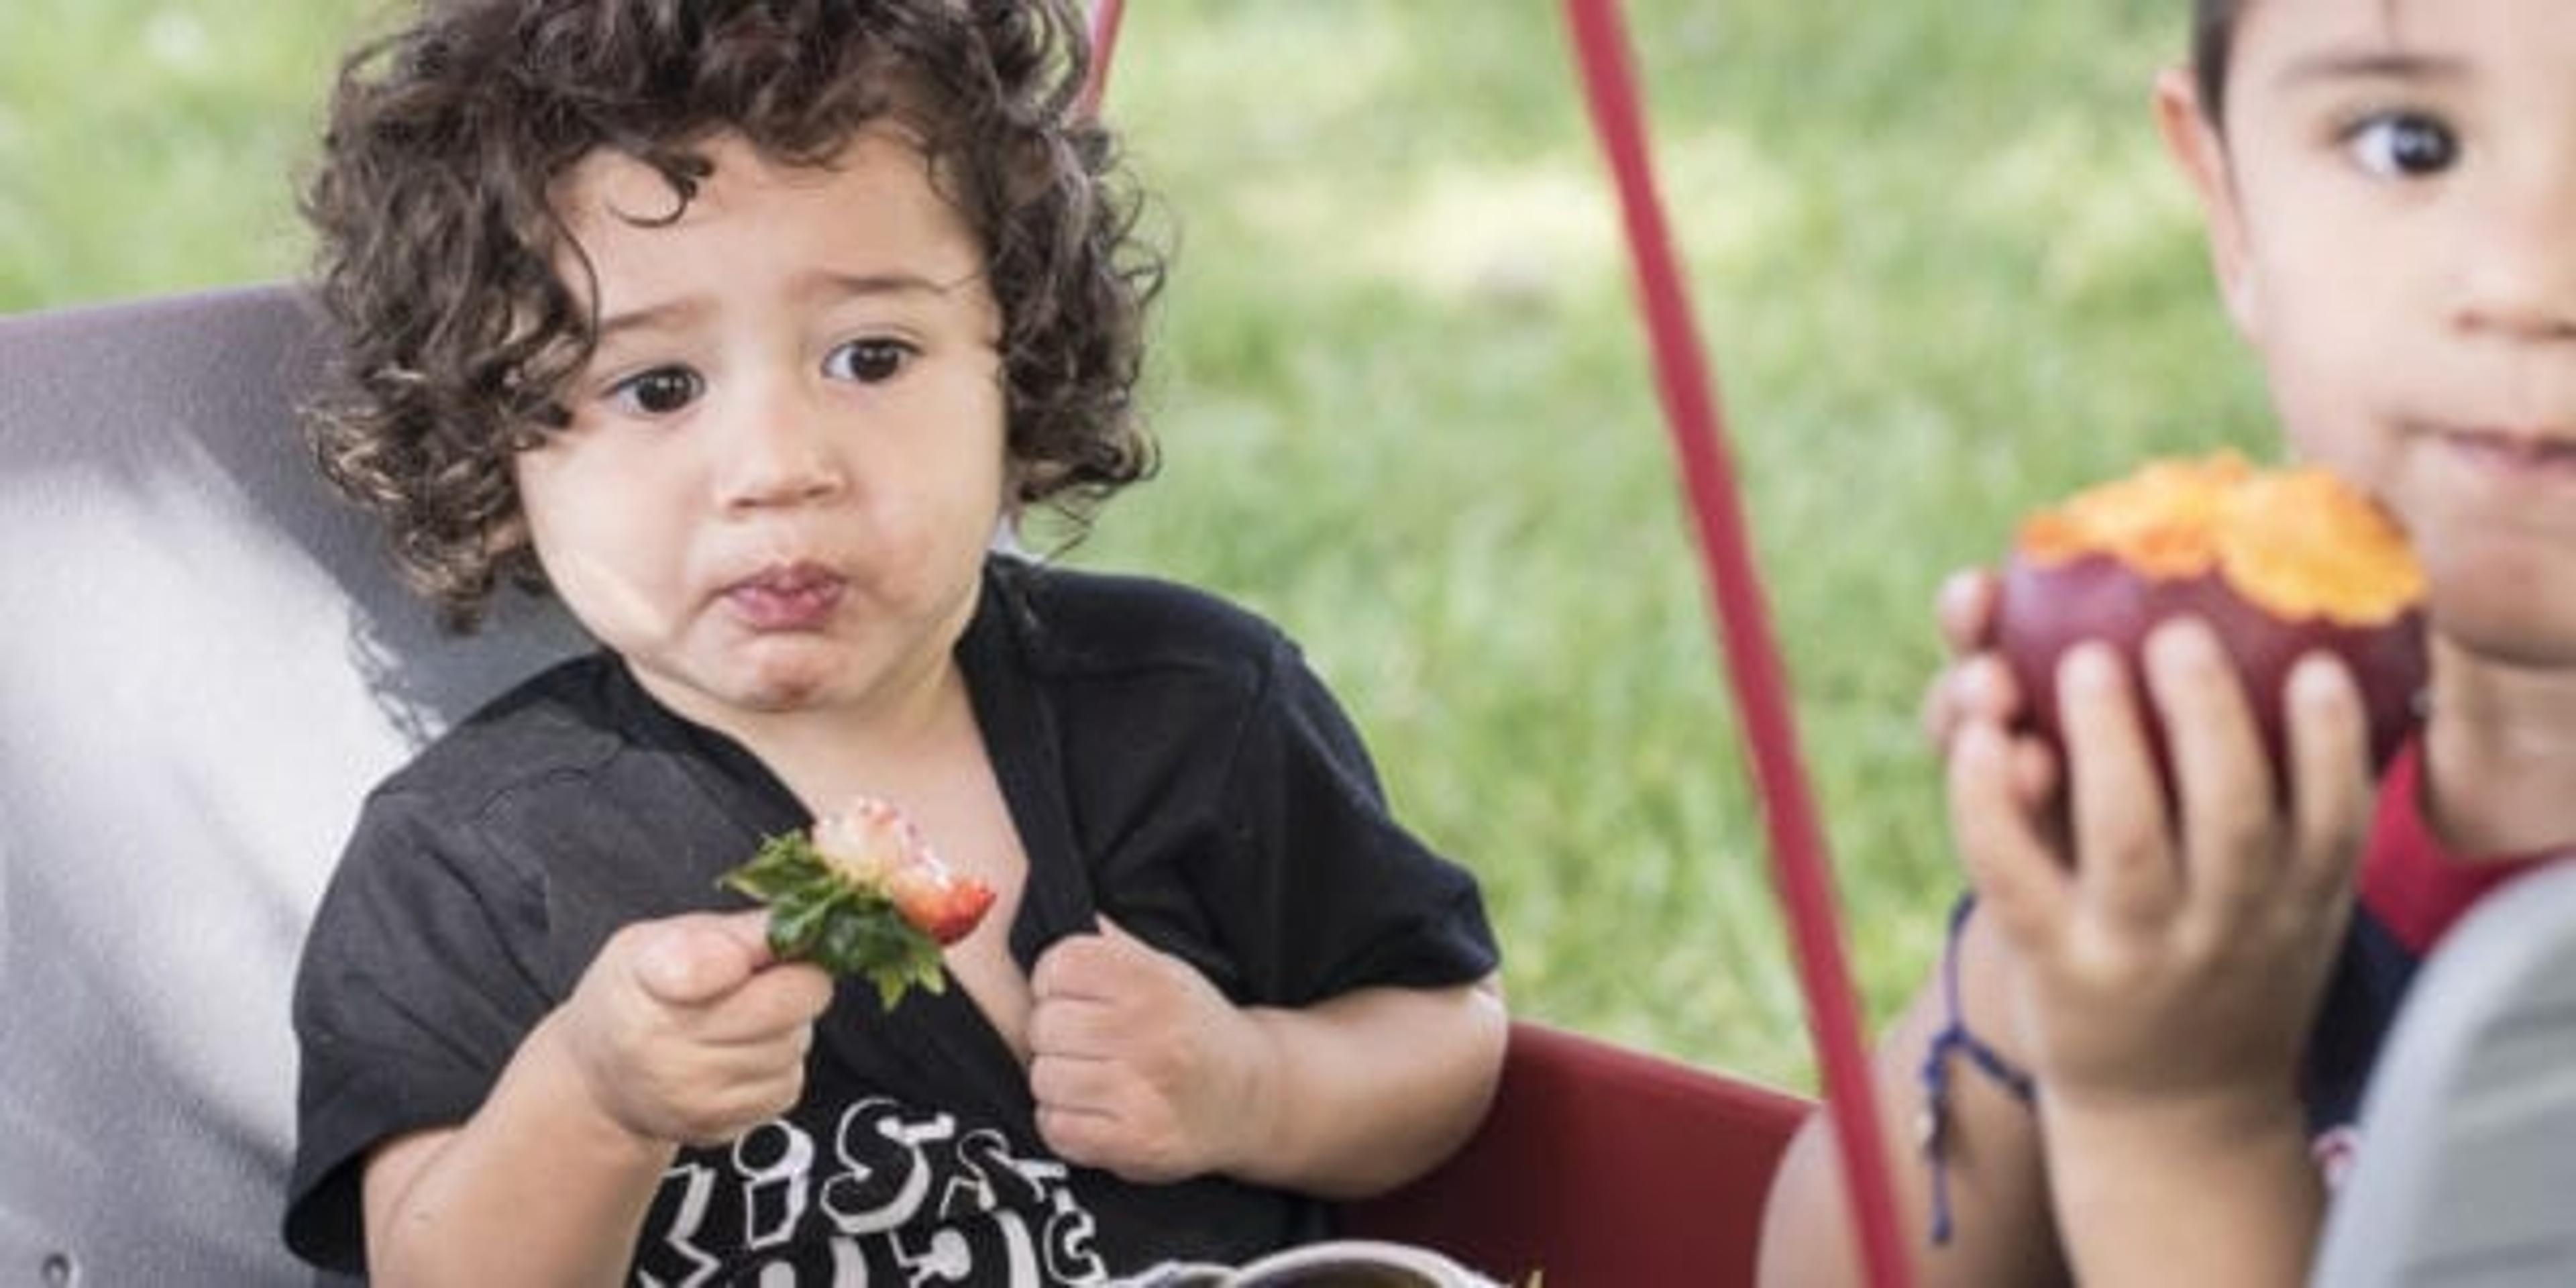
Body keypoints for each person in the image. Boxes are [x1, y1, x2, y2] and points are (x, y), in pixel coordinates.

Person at [277, 1, 1508, 1282]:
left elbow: (1447, 1033)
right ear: (494, 446)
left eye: (872, 356)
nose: (779, 467)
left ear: (1016, 367)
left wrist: (1257, 1087)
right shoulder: (472, 865)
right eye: (656, 388)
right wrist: (595, 1098)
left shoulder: (1198, 710)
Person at [1757, 1, 2576, 1285]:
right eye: (2409, 143)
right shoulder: (2237, 752)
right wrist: (2036, 988)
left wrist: (2175, 1122)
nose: (2531, 282)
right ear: (2231, 204)